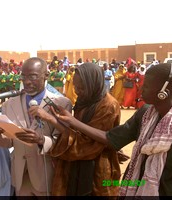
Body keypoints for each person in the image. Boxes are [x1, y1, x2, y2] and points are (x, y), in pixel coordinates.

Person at [48, 63, 172, 196]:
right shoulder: (145, 114)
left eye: (146, 86)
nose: (140, 90)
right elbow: (112, 138)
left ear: (163, 92)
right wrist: (71, 121)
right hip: (137, 187)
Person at [27, 62, 122, 196]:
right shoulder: (85, 100)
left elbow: (88, 143)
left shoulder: (108, 105)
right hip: (74, 165)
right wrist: (55, 119)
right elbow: (74, 135)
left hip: (97, 168)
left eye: (81, 87)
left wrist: (60, 120)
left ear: (93, 84)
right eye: (75, 85)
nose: (77, 91)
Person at [0, 57, 72, 197]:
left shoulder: (61, 103)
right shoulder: (9, 104)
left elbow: (65, 141)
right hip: (20, 175)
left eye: (32, 76)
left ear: (46, 76)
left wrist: (41, 140)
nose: (26, 81)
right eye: (23, 76)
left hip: (46, 175)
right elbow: (9, 141)